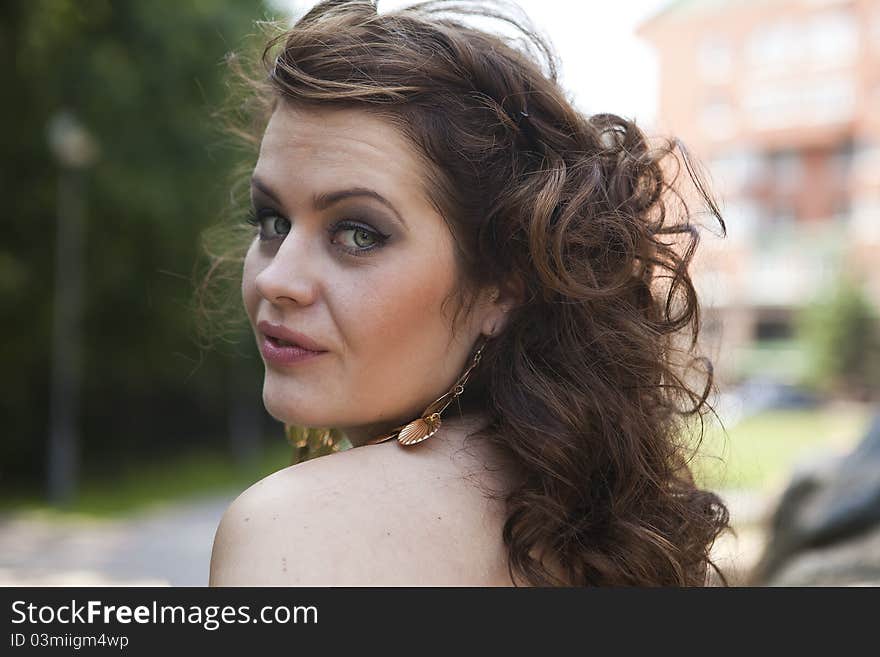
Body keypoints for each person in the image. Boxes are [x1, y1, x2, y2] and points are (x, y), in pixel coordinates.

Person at [208, 0, 730, 587]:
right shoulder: (583, 521)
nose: (277, 279)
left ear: (502, 288)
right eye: (273, 221)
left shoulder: (297, 530)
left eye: (358, 234)